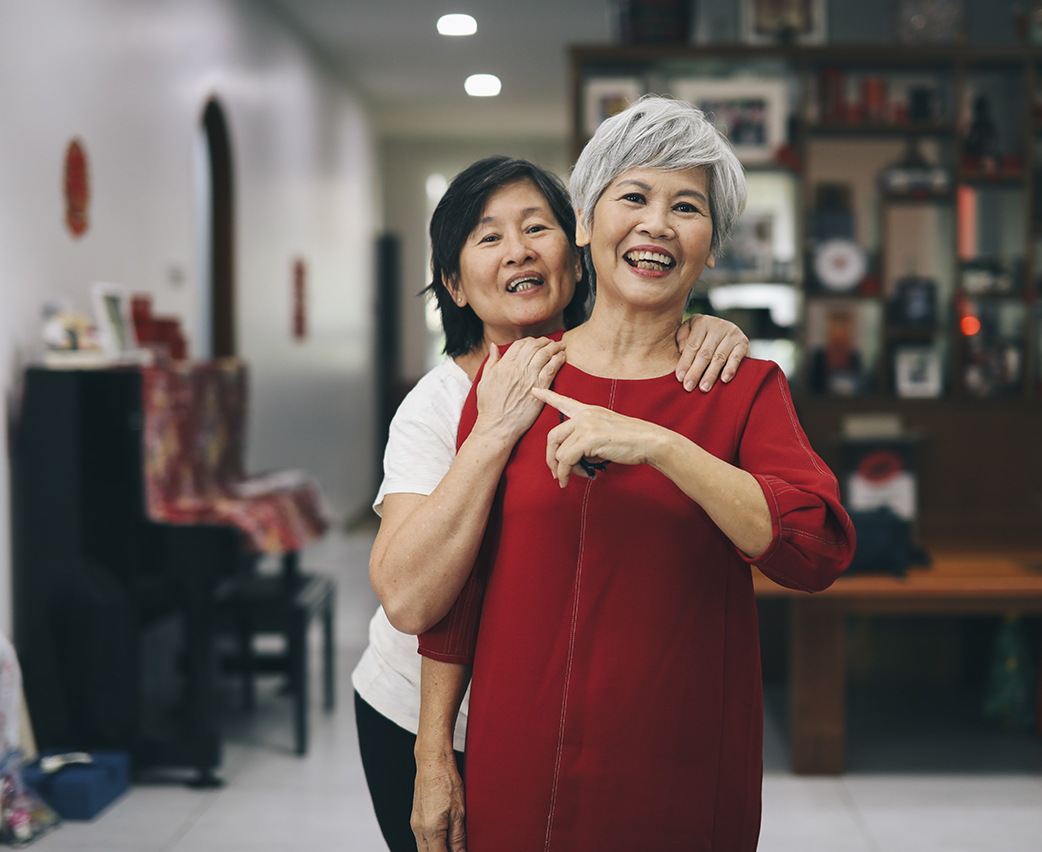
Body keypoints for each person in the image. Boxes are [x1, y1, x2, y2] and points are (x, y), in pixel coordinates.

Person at [416, 97, 856, 851]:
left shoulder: (744, 389)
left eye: (686, 207)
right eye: (634, 196)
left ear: (710, 246)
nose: (657, 223)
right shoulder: (517, 375)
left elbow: (813, 549)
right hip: (517, 761)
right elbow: (460, 592)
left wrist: (659, 444)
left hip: (681, 768)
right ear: (585, 223)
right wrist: (432, 759)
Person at [351, 155, 754, 852]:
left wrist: (711, 326)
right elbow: (412, 601)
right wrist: (432, 755)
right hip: (425, 718)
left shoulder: (639, 370)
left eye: (538, 227)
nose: (520, 250)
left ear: (578, 255)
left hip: (561, 722)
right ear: (454, 282)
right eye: (488, 237)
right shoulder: (437, 405)